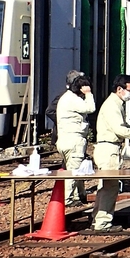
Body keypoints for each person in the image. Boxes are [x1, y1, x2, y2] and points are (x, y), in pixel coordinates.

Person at [92, 76, 130, 231]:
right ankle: (103, 223)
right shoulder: (112, 105)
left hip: (109, 148)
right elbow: (119, 129)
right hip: (108, 149)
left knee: (106, 186)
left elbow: (126, 126)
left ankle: (98, 219)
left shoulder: (115, 104)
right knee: (110, 186)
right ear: (119, 89)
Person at [55, 71, 95, 206]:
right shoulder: (73, 99)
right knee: (73, 172)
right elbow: (91, 108)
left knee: (76, 169)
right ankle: (67, 199)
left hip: (64, 139)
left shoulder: (65, 97)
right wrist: (89, 93)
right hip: (74, 140)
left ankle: (79, 195)